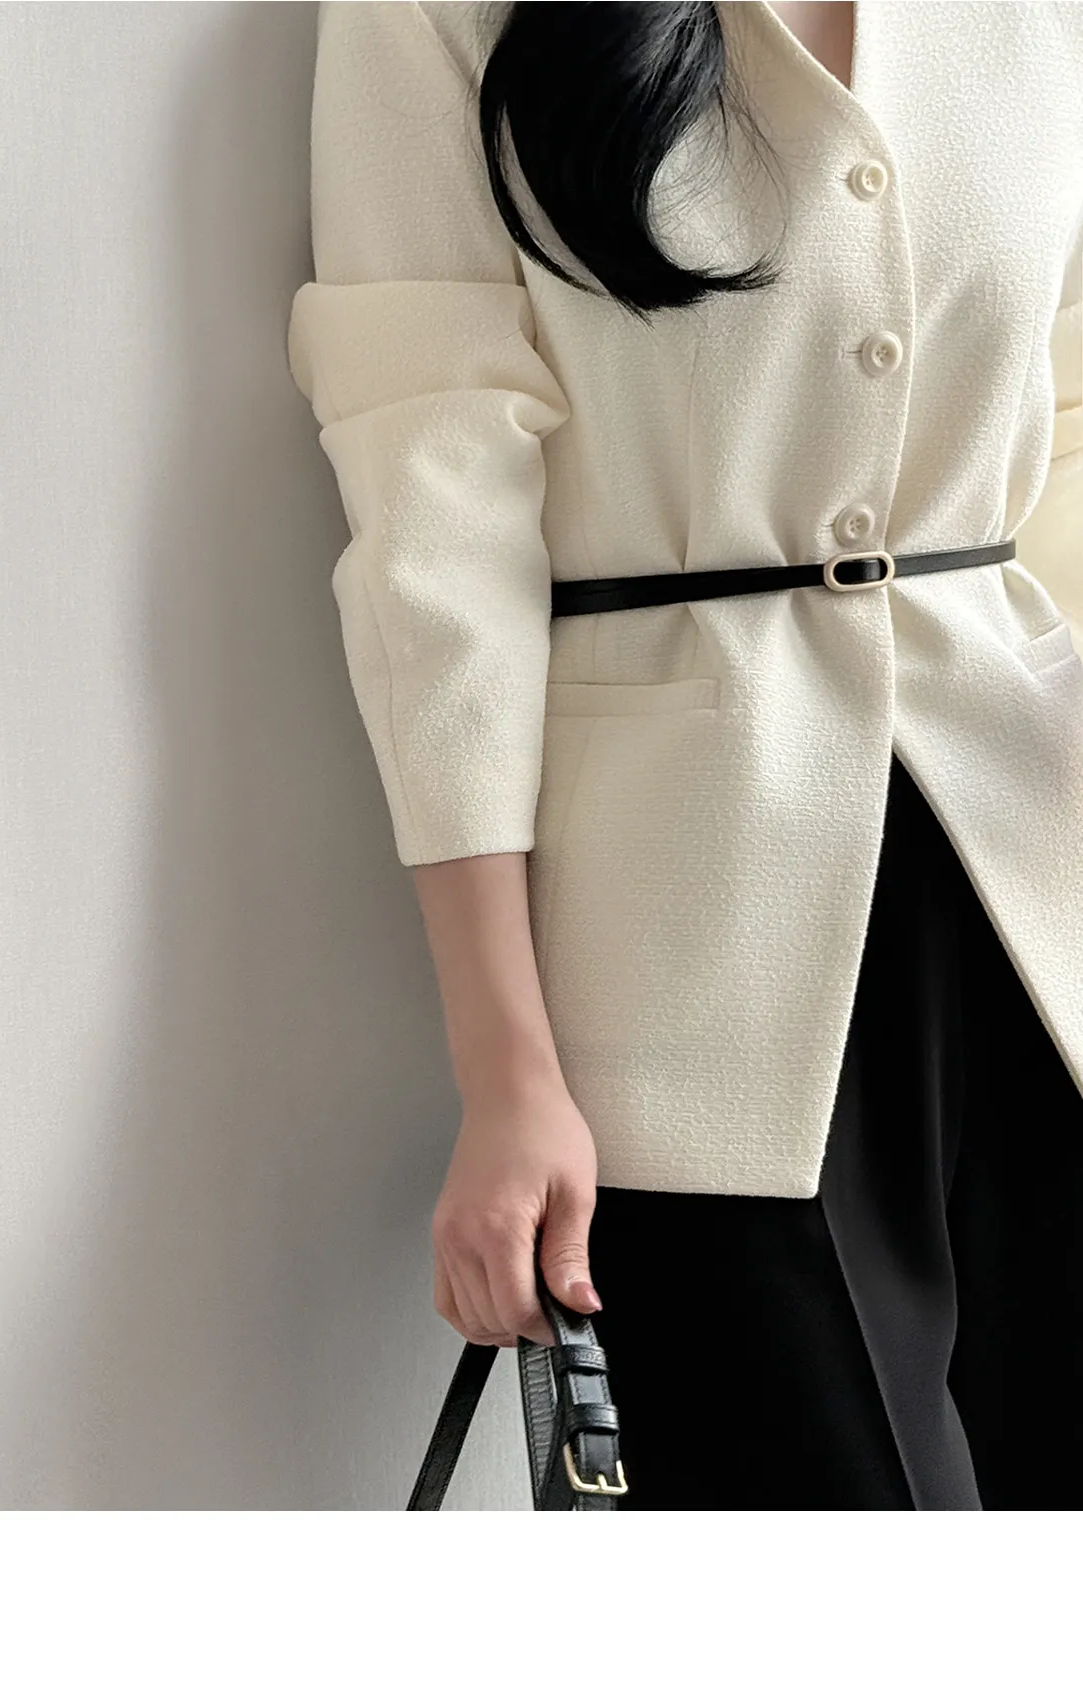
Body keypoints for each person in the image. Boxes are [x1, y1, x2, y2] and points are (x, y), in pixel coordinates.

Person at [288, 0, 1083, 1509]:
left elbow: (1070, 402)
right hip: (699, 971)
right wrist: (506, 1070)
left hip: (1040, 893)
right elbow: (431, 532)